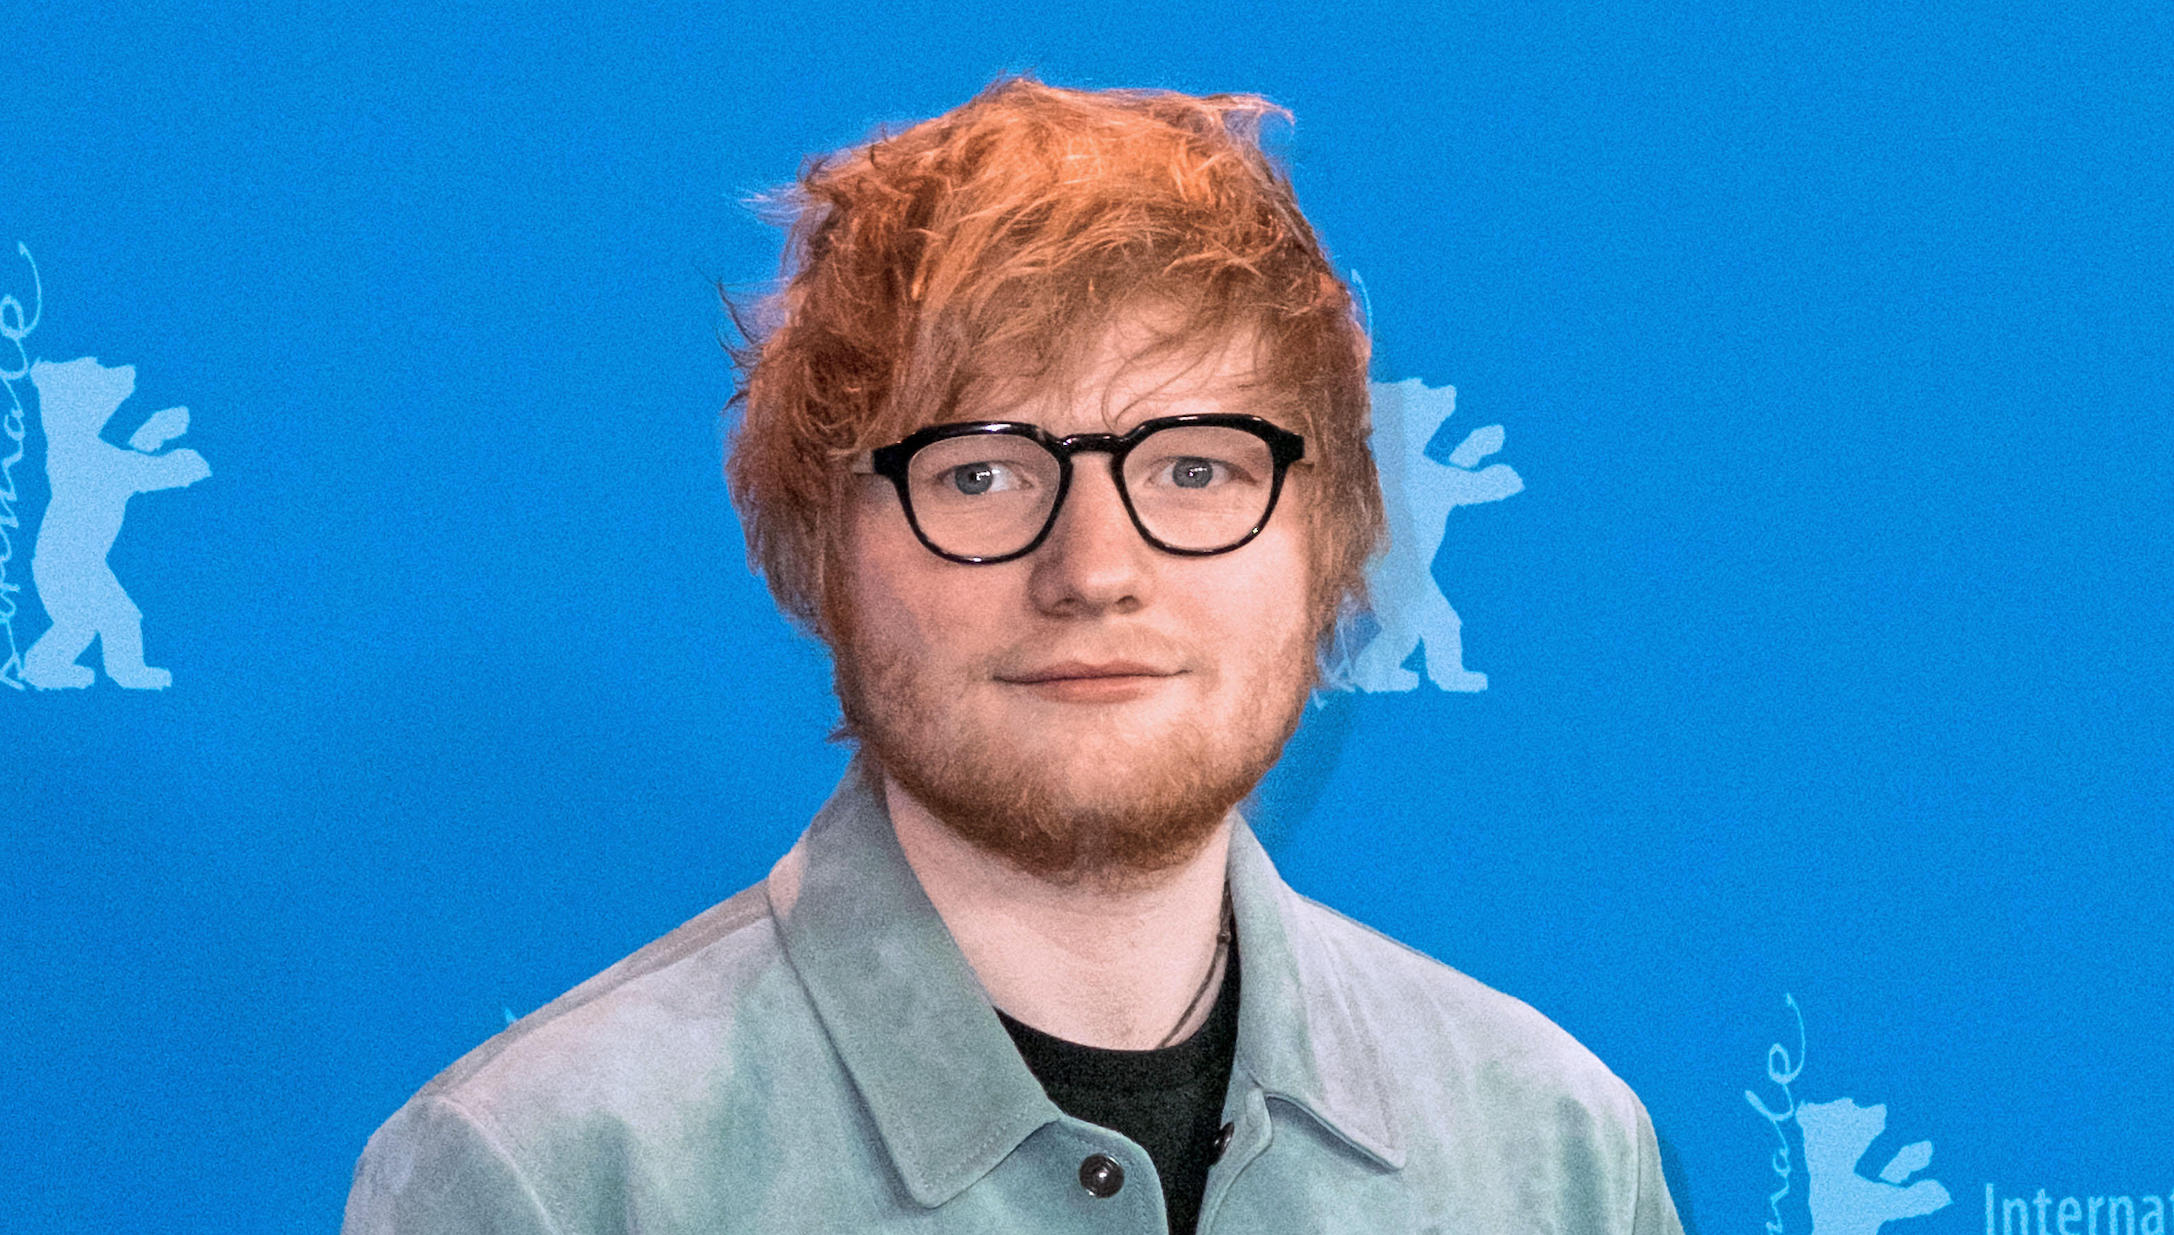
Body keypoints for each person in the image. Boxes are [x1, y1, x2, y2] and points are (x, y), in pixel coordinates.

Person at [343, 75, 1684, 1235]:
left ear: (1333, 544)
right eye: (979, 474)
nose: (1094, 569)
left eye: (1196, 467)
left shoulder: (1554, 1155)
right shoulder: (553, 1182)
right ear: (817, 552)